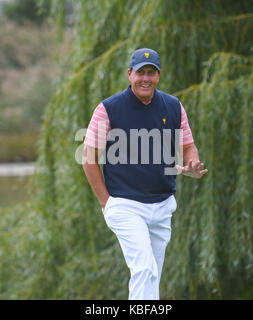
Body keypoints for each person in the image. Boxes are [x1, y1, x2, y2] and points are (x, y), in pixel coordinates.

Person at [82, 48, 208, 300]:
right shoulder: (108, 109)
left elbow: (187, 146)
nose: (146, 78)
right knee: (144, 268)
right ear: (130, 74)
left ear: (159, 76)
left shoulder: (173, 106)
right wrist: (106, 202)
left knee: (153, 275)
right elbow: (88, 158)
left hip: (162, 205)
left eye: (152, 72)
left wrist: (192, 163)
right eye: (140, 72)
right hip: (126, 205)